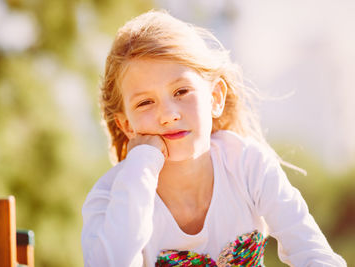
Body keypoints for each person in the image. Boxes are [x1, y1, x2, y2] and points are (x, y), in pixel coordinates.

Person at [81, 10, 346, 267]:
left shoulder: (246, 164)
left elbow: (313, 252)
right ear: (126, 124)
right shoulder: (109, 198)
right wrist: (141, 162)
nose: (168, 115)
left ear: (215, 98)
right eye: (145, 103)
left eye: (181, 91)